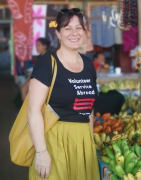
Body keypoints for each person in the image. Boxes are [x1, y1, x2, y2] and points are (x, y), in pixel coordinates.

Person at [28, 8, 100, 180]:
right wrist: (41, 152)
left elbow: (89, 109)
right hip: (54, 141)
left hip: (82, 141)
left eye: (79, 28)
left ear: (84, 31)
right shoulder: (47, 62)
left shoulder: (89, 65)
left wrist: (89, 142)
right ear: (58, 33)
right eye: (68, 28)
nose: (74, 33)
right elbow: (33, 111)